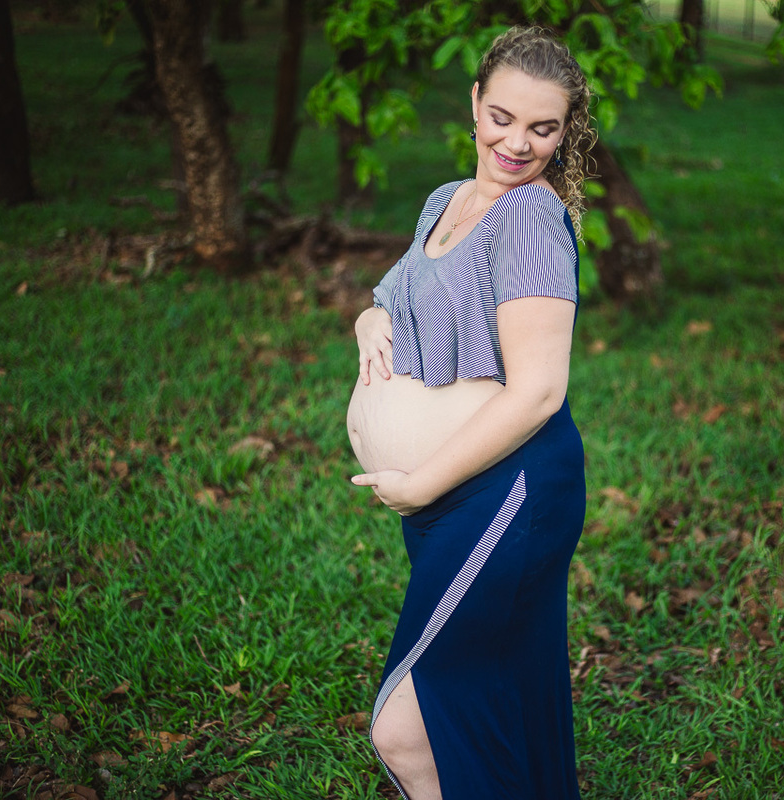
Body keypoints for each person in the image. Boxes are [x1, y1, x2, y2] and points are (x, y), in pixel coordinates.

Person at [346, 26, 595, 800]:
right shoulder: (446, 200)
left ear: (565, 133)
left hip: (505, 492)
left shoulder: (525, 219)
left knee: (405, 727)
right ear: (475, 103)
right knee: (491, 689)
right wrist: (367, 318)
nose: (517, 143)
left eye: (543, 128)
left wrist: (420, 485)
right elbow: (396, 293)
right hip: (462, 494)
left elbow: (540, 392)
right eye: (504, 118)